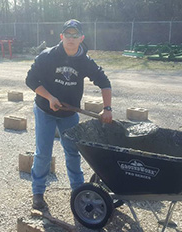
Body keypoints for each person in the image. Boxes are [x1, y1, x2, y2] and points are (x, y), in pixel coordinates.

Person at [25, 19, 112, 210]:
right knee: (43, 153)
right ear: (61, 36)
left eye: (75, 35)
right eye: (67, 35)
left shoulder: (85, 62)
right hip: (45, 110)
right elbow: (30, 80)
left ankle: (78, 191)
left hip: (70, 113)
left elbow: (105, 82)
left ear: (81, 38)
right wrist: (49, 97)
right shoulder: (47, 56)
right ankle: (38, 192)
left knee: (73, 152)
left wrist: (107, 109)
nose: (71, 39)